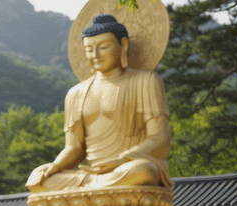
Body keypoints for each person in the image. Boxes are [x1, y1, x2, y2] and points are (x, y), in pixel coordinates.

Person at [26, 14, 173, 193]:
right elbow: (73, 147)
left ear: (123, 45)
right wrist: (56, 166)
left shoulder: (145, 81)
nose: (95, 55)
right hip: (90, 173)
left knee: (143, 171)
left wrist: (122, 160)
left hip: (126, 168)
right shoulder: (75, 93)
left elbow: (160, 138)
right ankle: (94, 187)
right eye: (89, 49)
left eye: (104, 47)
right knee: (38, 178)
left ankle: (90, 191)